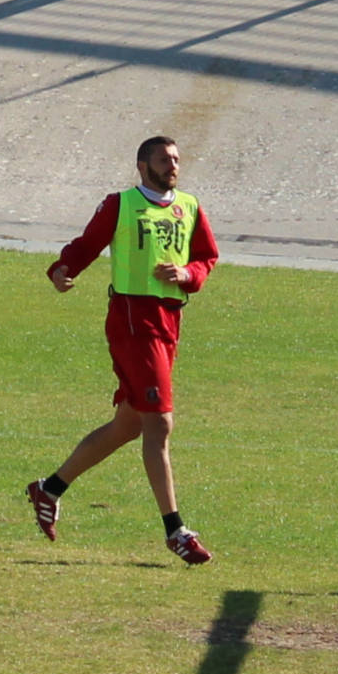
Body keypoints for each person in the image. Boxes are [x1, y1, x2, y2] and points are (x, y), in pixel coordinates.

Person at [25, 136, 221, 565]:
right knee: (160, 425)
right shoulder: (121, 204)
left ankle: (50, 488)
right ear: (141, 164)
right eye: (164, 159)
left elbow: (207, 257)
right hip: (133, 323)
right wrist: (62, 269)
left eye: (176, 159)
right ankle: (176, 531)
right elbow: (87, 244)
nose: (173, 165)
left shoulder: (189, 206)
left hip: (169, 323)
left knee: (128, 426)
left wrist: (186, 273)